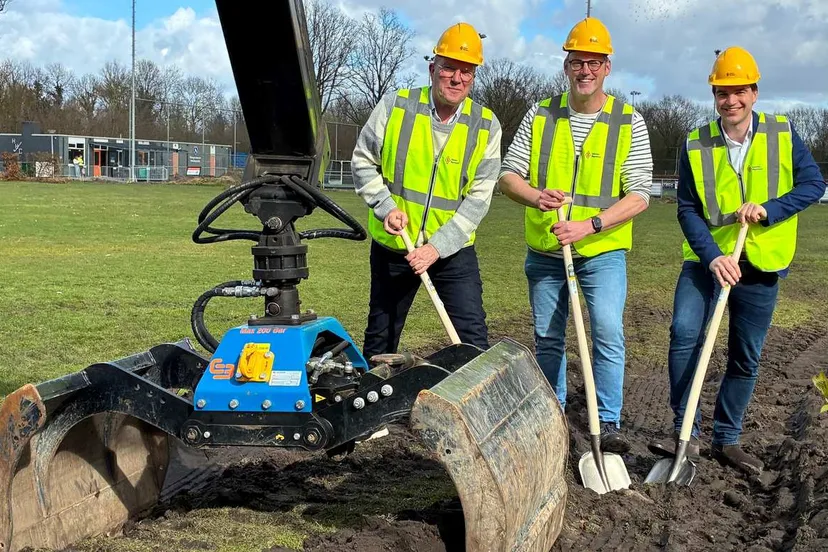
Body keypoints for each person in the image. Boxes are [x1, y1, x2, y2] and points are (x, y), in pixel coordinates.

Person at [649, 46, 826, 474]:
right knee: (684, 334)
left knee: (745, 356)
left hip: (761, 262)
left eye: (740, 90)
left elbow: (812, 184)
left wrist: (768, 209)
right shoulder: (695, 141)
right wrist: (712, 257)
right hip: (706, 262)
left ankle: (727, 439)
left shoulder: (782, 133)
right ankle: (685, 432)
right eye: (723, 91)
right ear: (714, 94)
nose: (732, 100)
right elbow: (687, 208)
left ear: (754, 92)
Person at [497, 16, 653, 454]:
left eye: (594, 62)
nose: (585, 70)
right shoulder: (540, 113)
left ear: (607, 67)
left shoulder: (628, 120)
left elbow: (640, 193)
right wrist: (534, 196)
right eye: (577, 62)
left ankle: (607, 421)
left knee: (606, 331)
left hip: (602, 250)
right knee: (548, 337)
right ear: (566, 66)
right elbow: (509, 175)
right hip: (546, 250)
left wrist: (590, 225)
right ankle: (552, 416)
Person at [351, 22, 502, 361]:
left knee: (472, 339)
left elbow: (478, 200)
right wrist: (385, 206)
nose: (456, 78)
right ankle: (372, 407)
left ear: (474, 76)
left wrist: (436, 247)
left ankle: (470, 410)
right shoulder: (396, 107)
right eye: (449, 67)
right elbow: (362, 162)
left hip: (452, 251)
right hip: (395, 246)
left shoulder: (487, 125)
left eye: (467, 71)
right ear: (433, 68)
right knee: (381, 336)